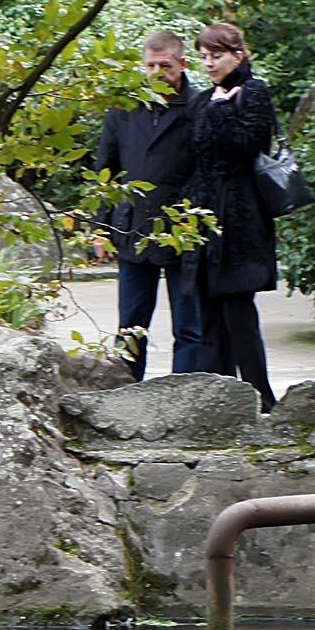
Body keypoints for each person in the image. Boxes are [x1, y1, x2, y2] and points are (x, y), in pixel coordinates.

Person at [94, 30, 206, 376]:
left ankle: (185, 396)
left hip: (183, 230)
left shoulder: (200, 107)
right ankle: (126, 392)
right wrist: (100, 229)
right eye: (151, 65)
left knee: (189, 327)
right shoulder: (124, 108)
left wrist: (195, 219)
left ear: (183, 64)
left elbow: (208, 171)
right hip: (133, 228)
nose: (158, 72)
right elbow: (106, 170)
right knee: (130, 327)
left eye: (165, 65)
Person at [182, 21, 279, 409]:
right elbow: (196, 156)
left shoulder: (254, 92)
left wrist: (223, 110)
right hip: (205, 220)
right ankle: (220, 400)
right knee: (209, 317)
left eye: (216, 56)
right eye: (204, 56)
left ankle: (260, 397)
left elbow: (246, 145)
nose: (209, 63)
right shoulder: (205, 99)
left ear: (238, 56)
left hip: (240, 219)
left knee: (239, 315)